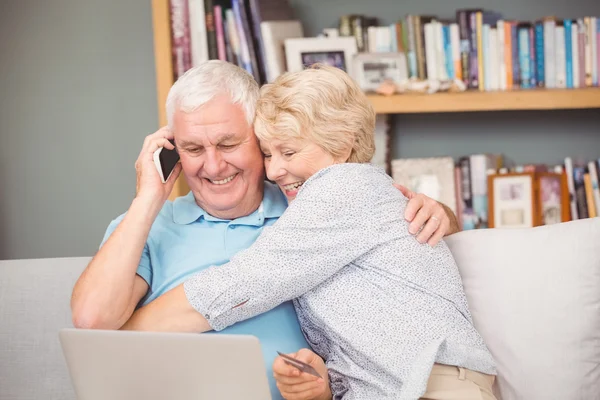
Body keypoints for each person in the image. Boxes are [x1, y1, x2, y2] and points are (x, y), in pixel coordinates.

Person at [70, 60, 460, 400]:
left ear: (260, 137)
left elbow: (382, 223)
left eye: (228, 143)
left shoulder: (305, 206)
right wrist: (147, 200)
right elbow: (91, 321)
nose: (213, 166)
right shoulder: (144, 228)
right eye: (192, 149)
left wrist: (440, 212)